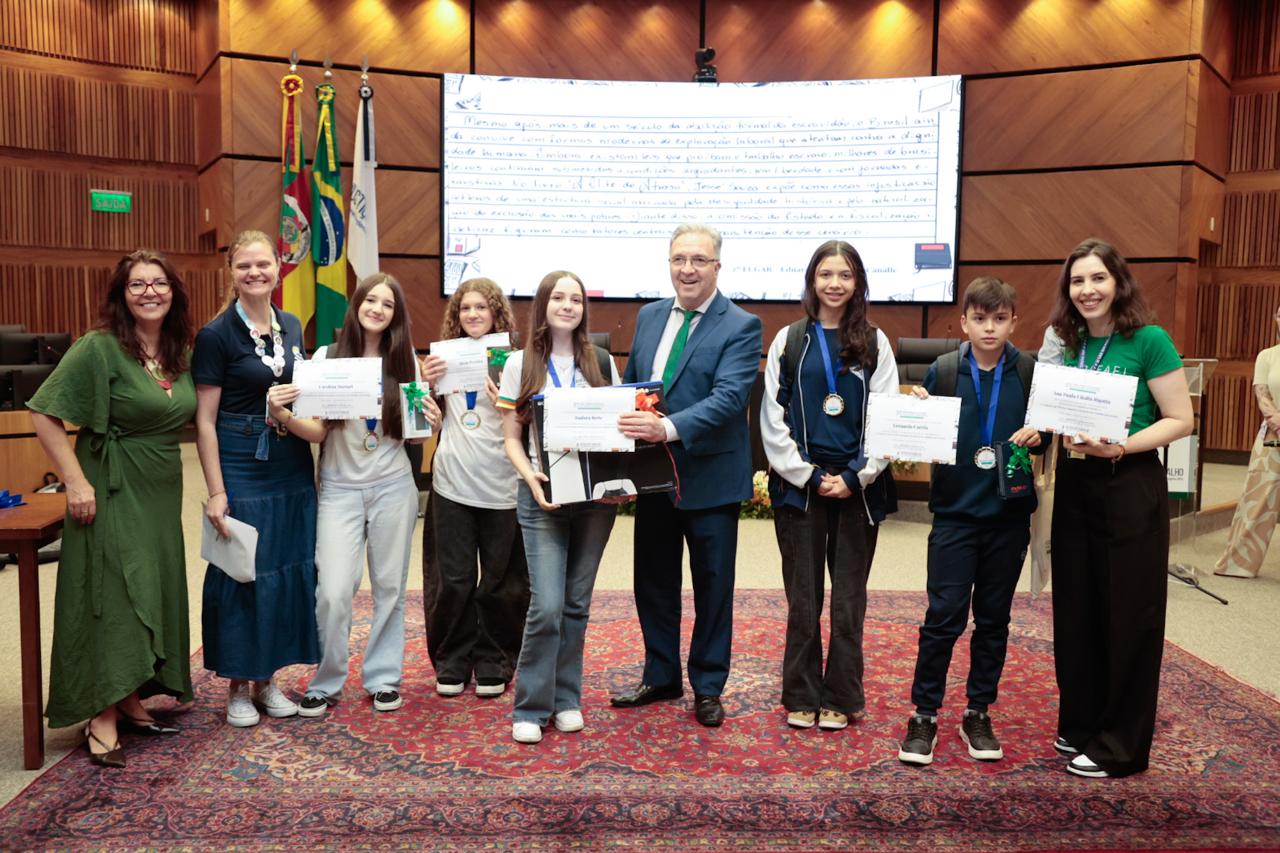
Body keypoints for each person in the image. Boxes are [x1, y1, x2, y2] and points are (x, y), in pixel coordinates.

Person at [28, 249, 196, 767]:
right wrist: (75, 482)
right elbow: (43, 413)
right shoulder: (98, 348)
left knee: (150, 583)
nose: (150, 292)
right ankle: (99, 711)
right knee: (112, 591)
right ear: (121, 295)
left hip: (161, 486)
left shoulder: (177, 350)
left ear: (174, 291)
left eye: (159, 283)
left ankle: (129, 695)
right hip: (109, 483)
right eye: (137, 284)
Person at [1047, 238, 1193, 778]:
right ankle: (1082, 722)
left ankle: (1121, 745)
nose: (1087, 290)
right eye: (1077, 281)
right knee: (1079, 607)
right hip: (1078, 484)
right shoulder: (1071, 345)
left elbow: (1180, 419)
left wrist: (1121, 446)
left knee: (1128, 614)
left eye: (1097, 279)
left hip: (1129, 482)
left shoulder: (1149, 340)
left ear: (1118, 283)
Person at [269, 274, 442, 718]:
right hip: (340, 490)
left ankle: (383, 679)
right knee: (333, 589)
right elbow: (316, 430)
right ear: (357, 305)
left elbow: (417, 435)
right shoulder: (327, 357)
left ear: (395, 315)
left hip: (392, 487)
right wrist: (283, 415)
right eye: (371, 300)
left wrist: (434, 421)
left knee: (389, 586)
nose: (378, 309)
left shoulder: (407, 364)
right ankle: (326, 681)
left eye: (387, 304)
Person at [611, 223, 763, 728]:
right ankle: (660, 674)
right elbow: (637, 388)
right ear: (669, 264)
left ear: (717, 267)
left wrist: (667, 427)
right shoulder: (651, 315)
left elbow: (729, 398)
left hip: (711, 480)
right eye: (679, 259)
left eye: (699, 260)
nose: (688, 269)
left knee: (712, 587)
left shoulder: (741, 325)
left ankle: (708, 685)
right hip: (654, 479)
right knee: (653, 581)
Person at [895, 277, 1042, 766]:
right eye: (979, 318)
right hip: (956, 517)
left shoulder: (1028, 370)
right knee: (943, 618)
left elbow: (1047, 434)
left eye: (1000, 319)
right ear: (963, 322)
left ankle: (978, 710)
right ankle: (925, 714)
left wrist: (1041, 434)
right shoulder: (943, 370)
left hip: (1008, 517)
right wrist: (913, 415)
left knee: (994, 621)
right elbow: (921, 436)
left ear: (1013, 322)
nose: (989, 328)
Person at [759, 240, 897, 732]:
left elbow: (887, 419)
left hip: (858, 489)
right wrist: (809, 474)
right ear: (811, 280)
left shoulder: (876, 342)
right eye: (825, 274)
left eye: (845, 274)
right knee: (803, 597)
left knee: (848, 600)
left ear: (857, 282)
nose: (834, 283)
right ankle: (801, 693)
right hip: (801, 487)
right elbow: (772, 418)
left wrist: (857, 475)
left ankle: (841, 695)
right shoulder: (789, 340)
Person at [193, 230, 320, 727]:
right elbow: (204, 420)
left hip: (290, 460)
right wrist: (217, 490)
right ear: (232, 272)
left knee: (286, 568)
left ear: (278, 268)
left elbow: (302, 394)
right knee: (243, 571)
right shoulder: (216, 335)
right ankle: (238, 689)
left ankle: (269, 682)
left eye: (263, 264)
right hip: (242, 460)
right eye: (244, 266)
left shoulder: (291, 325)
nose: (255, 273)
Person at [497, 271, 621, 744]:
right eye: (558, 297)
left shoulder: (603, 361)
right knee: (546, 606)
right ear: (544, 305)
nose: (567, 305)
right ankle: (530, 706)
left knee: (576, 604)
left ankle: (566, 699)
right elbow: (510, 437)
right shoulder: (520, 363)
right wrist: (530, 477)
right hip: (541, 493)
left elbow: (618, 428)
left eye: (576, 298)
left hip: (593, 500)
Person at [421, 278, 528, 698]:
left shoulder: (516, 361)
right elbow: (427, 420)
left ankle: (494, 658)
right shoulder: (441, 360)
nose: (473, 315)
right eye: (465, 308)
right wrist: (427, 391)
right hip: (452, 481)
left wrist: (509, 398)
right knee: (453, 579)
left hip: (502, 483)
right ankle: (452, 659)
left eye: (482, 308)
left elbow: (529, 422)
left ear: (496, 313)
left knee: (502, 582)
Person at [1214, 305, 1280, 579]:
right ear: (1276, 319)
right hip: (1273, 436)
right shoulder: (1267, 356)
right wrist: (1277, 418)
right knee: (1257, 501)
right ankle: (1237, 564)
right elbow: (1262, 393)